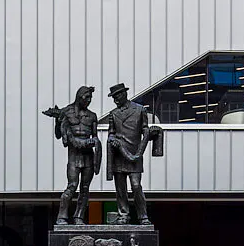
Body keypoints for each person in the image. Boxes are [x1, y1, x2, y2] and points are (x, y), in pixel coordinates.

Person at [101, 83, 166, 220]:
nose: (115, 99)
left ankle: (143, 216)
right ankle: (123, 215)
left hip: (135, 154)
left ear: (124, 94)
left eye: (117, 96)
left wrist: (147, 140)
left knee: (136, 186)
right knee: (120, 189)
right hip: (119, 155)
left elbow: (145, 131)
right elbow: (111, 133)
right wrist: (112, 140)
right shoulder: (113, 114)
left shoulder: (140, 110)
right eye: (114, 97)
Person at [46, 87, 104, 226]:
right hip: (73, 156)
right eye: (87, 97)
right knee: (72, 185)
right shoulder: (67, 111)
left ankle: (79, 217)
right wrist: (58, 122)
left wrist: (94, 144)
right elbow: (59, 135)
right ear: (79, 96)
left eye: (90, 98)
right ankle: (62, 216)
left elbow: (95, 137)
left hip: (88, 156)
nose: (89, 101)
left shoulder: (92, 116)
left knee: (85, 188)